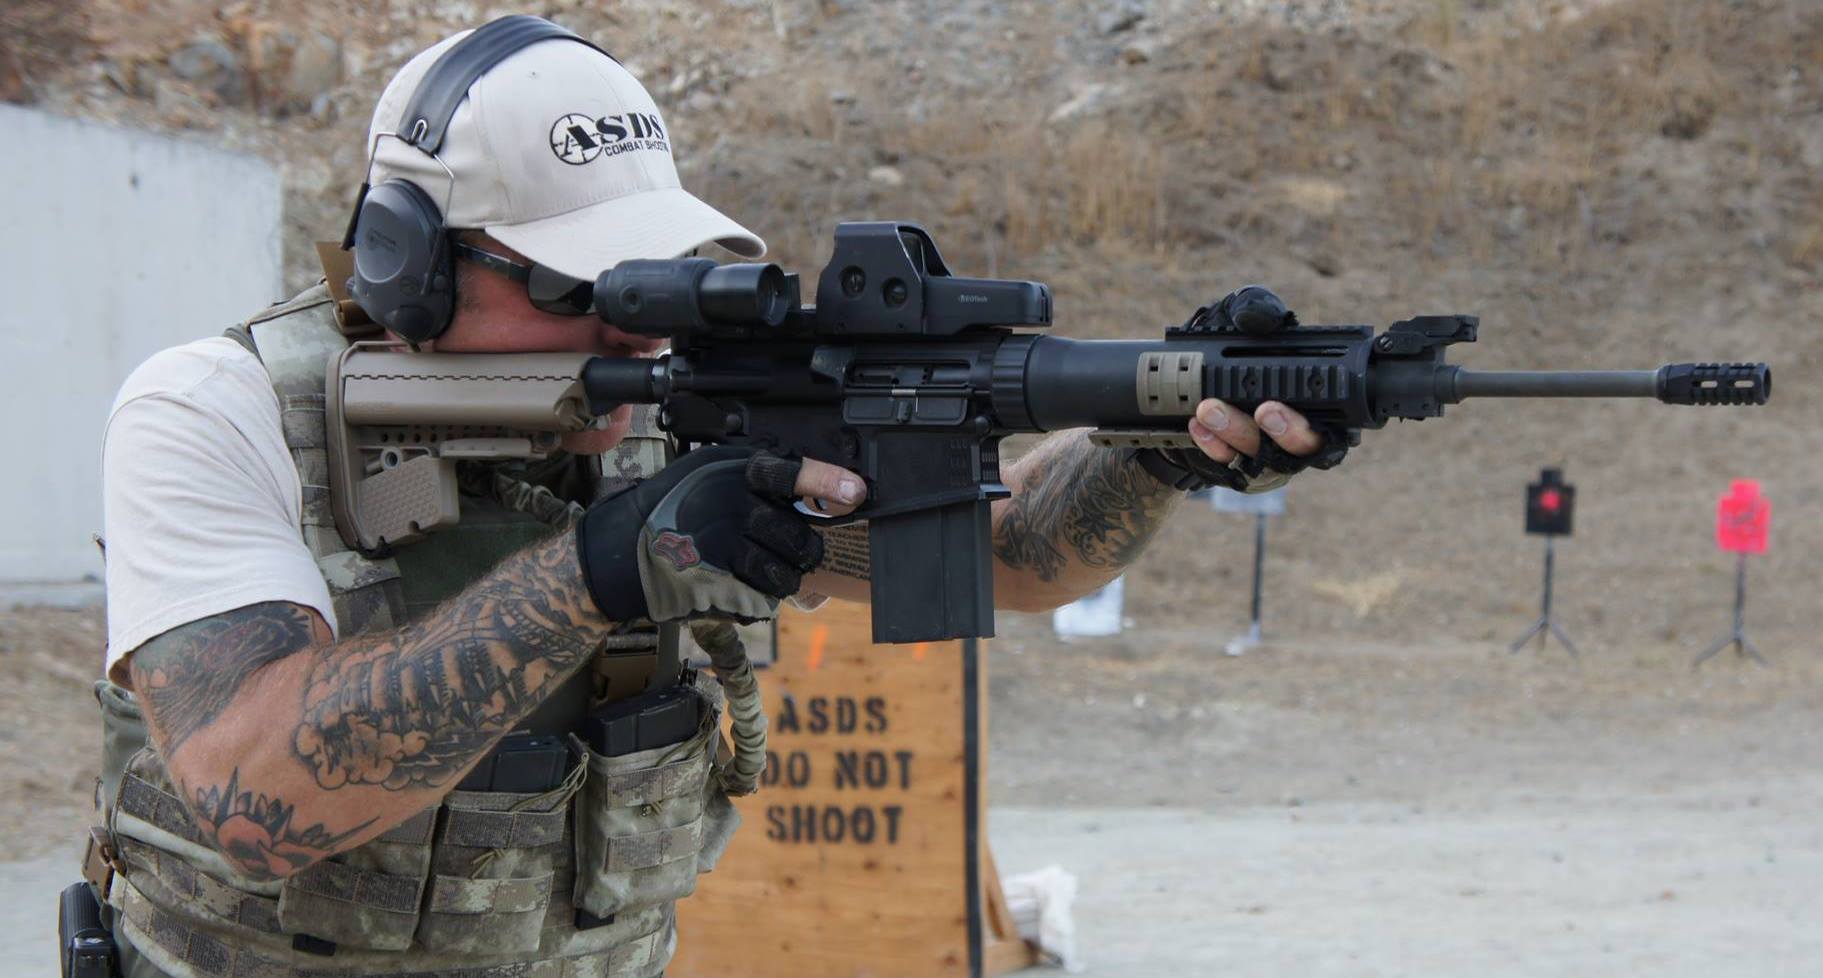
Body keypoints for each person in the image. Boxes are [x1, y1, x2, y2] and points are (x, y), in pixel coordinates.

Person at [80, 15, 1342, 978]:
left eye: (644, 270)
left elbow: (1012, 555)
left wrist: (1160, 445)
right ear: (405, 265)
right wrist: (592, 576)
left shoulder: (674, 410)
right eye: (575, 288)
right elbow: (258, 804)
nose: (626, 327)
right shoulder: (217, 411)